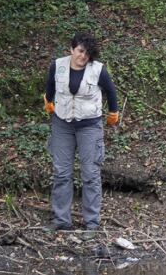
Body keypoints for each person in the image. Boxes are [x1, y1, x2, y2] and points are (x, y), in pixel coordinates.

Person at [44, 32, 120, 233]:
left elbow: (111, 92)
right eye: (79, 51)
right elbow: (50, 86)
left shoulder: (98, 70)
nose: (83, 56)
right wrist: (49, 101)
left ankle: (92, 222)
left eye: (87, 53)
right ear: (71, 49)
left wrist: (113, 112)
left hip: (89, 126)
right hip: (62, 124)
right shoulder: (57, 65)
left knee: (90, 173)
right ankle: (61, 221)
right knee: (61, 172)